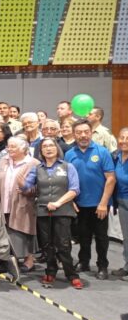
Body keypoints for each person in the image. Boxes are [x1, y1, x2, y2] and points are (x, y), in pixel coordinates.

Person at [23, 138, 83, 289]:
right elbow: (25, 186)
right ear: (41, 151)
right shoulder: (37, 168)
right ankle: (51, 271)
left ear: (57, 148)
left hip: (63, 210)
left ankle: (71, 274)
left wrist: (58, 203)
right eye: (45, 146)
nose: (48, 148)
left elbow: (74, 189)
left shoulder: (68, 166)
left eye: (51, 145)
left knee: (63, 244)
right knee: (47, 245)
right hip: (43, 211)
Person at [65, 119, 116, 280]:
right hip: (79, 204)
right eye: (79, 132)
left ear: (90, 132)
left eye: (86, 132)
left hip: (99, 204)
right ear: (74, 134)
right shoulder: (69, 154)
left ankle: (102, 265)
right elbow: (67, 179)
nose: (83, 135)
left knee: (101, 237)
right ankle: (84, 261)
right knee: (83, 235)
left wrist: (103, 203)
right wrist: (71, 201)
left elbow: (111, 179)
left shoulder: (102, 152)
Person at [0, 137, 39, 273]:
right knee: (7, 231)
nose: (9, 149)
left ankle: (29, 260)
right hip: (5, 202)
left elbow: (39, 186)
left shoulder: (33, 163)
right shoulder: (4, 161)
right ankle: (12, 260)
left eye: (13, 146)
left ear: (23, 149)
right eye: (8, 146)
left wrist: (28, 190)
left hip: (25, 203)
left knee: (25, 231)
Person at [112, 128, 128, 281]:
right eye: (121, 137)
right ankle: (127, 266)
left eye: (127, 138)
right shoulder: (116, 156)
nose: (124, 140)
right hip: (122, 200)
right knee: (127, 237)